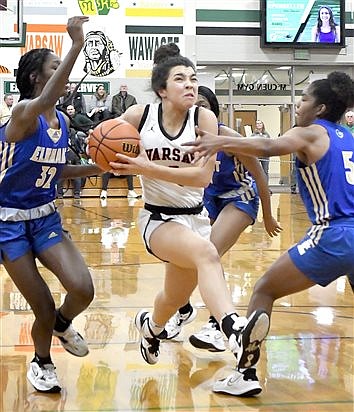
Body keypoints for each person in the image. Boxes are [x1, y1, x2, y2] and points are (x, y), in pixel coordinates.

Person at [106, 43, 270, 397]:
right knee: (207, 255)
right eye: (180, 79)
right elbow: (104, 144)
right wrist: (103, 150)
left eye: (194, 78)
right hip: (158, 219)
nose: (190, 84)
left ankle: (151, 326)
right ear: (162, 90)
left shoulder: (204, 120)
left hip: (196, 217)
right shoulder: (138, 116)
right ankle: (234, 329)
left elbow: (201, 178)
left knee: (171, 297)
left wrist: (145, 167)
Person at [182, 71, 354, 395]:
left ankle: (245, 375)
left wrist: (220, 140)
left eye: (304, 99)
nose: (299, 104)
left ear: (319, 109)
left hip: (333, 234)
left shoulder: (311, 132)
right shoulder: (347, 137)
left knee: (263, 290)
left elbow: (268, 145)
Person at [0, 16, 103, 393]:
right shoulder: (23, 114)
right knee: (40, 304)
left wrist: (100, 165)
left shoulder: (60, 120)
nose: (64, 74)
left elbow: (57, 170)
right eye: (55, 68)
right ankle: (42, 362)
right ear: (36, 78)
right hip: (7, 222)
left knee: (82, 288)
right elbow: (45, 98)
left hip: (45, 217)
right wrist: (76, 45)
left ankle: (61, 323)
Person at [165, 86, 282, 351]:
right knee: (183, 257)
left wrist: (267, 214)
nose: (199, 108)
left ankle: (218, 327)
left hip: (240, 197)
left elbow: (260, 175)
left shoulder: (227, 136)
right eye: (195, 104)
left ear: (214, 108)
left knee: (209, 252)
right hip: (209, 200)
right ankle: (183, 309)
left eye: (204, 104)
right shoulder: (184, 136)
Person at [101, 84, 139, 199]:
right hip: (111, 166)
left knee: (129, 168)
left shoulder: (132, 98)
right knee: (105, 169)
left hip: (122, 167)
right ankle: (104, 191)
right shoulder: (115, 98)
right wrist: (122, 116)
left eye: (125, 87)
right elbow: (114, 108)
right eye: (121, 87)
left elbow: (135, 109)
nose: (123, 88)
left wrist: (128, 116)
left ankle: (131, 191)